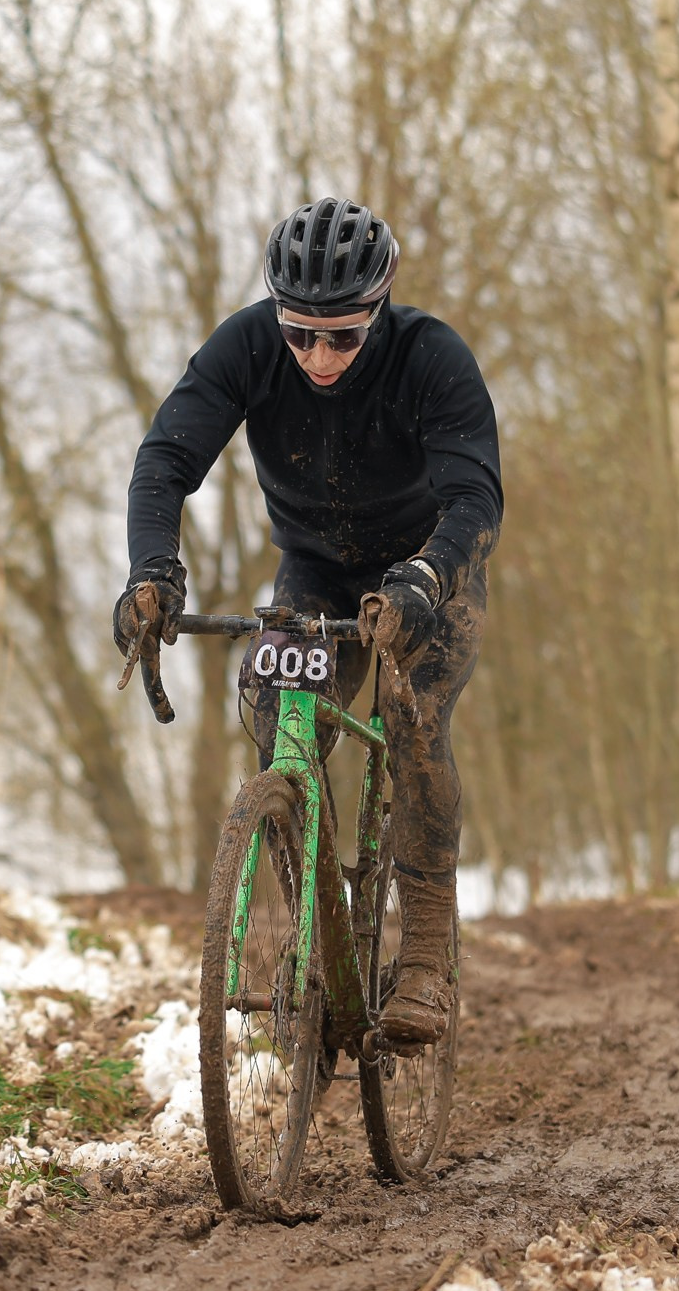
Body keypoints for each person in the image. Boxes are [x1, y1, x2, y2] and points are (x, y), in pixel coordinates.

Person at [115, 197, 502, 1047]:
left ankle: (428, 956)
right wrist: (152, 569)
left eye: (342, 337)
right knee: (270, 705)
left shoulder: (432, 358)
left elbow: (475, 497)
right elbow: (166, 462)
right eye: (300, 335)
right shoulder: (246, 347)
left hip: (429, 571)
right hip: (317, 573)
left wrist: (427, 578)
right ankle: (317, 927)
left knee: (411, 718)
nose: (319, 357)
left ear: (380, 309)